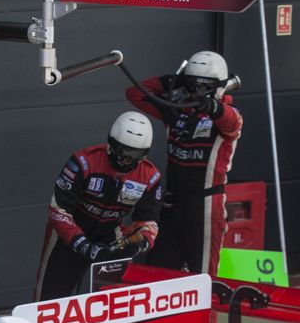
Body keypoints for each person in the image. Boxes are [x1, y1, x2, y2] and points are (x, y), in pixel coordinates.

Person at [126, 51, 243, 276]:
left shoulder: (230, 114)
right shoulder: (176, 110)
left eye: (202, 86)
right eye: (191, 85)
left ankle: (207, 313)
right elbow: (134, 93)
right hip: (171, 205)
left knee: (203, 277)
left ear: (217, 86)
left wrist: (211, 106)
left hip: (205, 206)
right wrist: (171, 80)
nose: (194, 91)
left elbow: (231, 121)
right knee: (157, 274)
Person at [35, 111, 162, 300]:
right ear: (111, 142)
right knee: (49, 299)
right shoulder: (83, 162)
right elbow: (58, 211)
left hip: (111, 235)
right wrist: (83, 245)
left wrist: (139, 243)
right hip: (70, 232)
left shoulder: (150, 177)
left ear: (144, 154)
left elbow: (148, 223)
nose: (125, 158)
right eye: (122, 149)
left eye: (133, 153)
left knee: (115, 300)